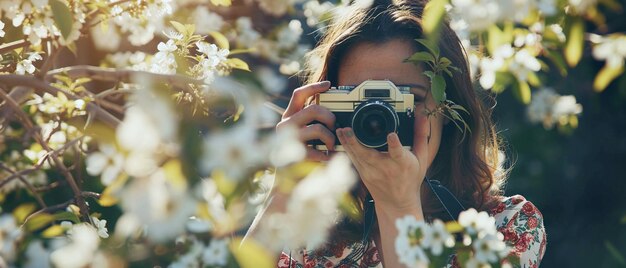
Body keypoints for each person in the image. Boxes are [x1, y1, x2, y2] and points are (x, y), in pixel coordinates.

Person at [248, 0, 547, 267]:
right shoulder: (311, 231)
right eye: (361, 101)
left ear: (449, 110)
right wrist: (282, 191)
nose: (381, 121)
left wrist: (400, 207)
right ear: (329, 105)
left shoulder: (501, 228)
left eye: (407, 100)